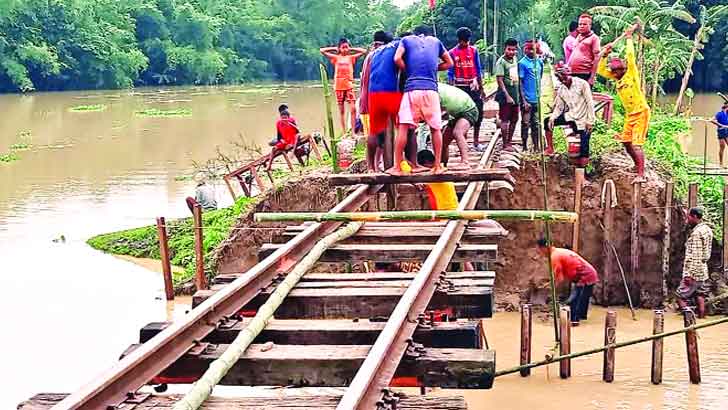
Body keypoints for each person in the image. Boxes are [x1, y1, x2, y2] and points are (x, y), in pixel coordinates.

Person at [388, 25, 453, 176]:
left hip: (411, 89)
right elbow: (449, 63)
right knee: (435, 128)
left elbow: (397, 58)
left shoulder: (406, 40)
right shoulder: (436, 41)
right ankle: (437, 166)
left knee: (403, 127)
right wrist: (434, 69)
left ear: (415, 34)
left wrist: (408, 70)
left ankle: (397, 167)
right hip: (431, 90)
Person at [598, 24, 650, 182]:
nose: (614, 73)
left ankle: (641, 174)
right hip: (630, 115)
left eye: (617, 71)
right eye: (613, 71)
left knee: (636, 144)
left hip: (641, 112)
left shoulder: (631, 73)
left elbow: (631, 56)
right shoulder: (616, 78)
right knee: (626, 142)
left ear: (622, 69)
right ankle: (636, 165)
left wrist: (628, 38)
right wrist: (604, 55)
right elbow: (600, 70)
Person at [537, 238, 599, 325]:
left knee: (573, 303)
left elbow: (560, 279)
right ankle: (579, 322)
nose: (540, 253)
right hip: (589, 274)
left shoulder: (555, 256)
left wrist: (552, 293)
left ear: (544, 248)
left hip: (585, 276)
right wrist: (549, 284)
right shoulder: (558, 252)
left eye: (540, 250)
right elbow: (558, 276)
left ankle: (573, 322)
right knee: (581, 305)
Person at [544, 63, 595, 165]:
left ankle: (582, 173)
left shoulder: (582, 84)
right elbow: (559, 107)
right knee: (547, 122)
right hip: (571, 116)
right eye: (561, 79)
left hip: (583, 119)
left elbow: (590, 103)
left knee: (584, 147)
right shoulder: (562, 89)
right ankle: (550, 148)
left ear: (569, 74)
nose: (564, 81)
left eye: (565, 77)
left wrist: (590, 121)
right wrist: (552, 118)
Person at [447, 27, 485, 151]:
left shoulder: (474, 51)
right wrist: (451, 88)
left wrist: (481, 88)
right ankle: (463, 140)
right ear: (459, 40)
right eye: (464, 40)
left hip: (473, 86)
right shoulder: (452, 53)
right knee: (460, 115)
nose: (466, 42)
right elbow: (450, 73)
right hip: (460, 88)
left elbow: (478, 70)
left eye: (467, 40)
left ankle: (476, 141)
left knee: (478, 113)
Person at [367, 32, 399, 172]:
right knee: (403, 128)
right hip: (390, 91)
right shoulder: (398, 45)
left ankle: (370, 167)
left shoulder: (374, 53)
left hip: (373, 93)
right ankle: (399, 163)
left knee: (374, 130)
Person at [320, 38, 367, 134]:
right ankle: (344, 131)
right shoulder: (336, 58)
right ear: (339, 48)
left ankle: (353, 131)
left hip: (349, 86)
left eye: (347, 47)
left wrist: (350, 49)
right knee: (341, 111)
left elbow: (364, 51)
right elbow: (322, 51)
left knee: (353, 108)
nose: (345, 49)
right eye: (343, 47)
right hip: (339, 86)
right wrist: (336, 49)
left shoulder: (351, 58)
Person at [676, 207, 713, 318]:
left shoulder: (697, 233)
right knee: (700, 294)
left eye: (689, 217)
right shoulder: (707, 229)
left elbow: (695, 255)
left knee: (680, 296)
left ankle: (689, 321)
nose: (687, 220)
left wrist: (689, 275)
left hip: (694, 272)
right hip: (703, 270)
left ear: (695, 217)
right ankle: (702, 318)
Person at [438, 82, 479, 168]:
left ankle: (465, 162)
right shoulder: (433, 87)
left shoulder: (432, 90)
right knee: (443, 141)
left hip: (468, 110)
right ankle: (442, 164)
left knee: (458, 132)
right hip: (456, 114)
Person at [359, 31, 389, 137]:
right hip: (372, 106)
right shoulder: (378, 57)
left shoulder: (369, 56)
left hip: (365, 105)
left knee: (372, 141)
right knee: (377, 141)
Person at [518, 40, 544, 152]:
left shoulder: (539, 62)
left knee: (536, 124)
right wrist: (524, 100)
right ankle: (524, 146)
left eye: (533, 49)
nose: (530, 51)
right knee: (525, 123)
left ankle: (536, 146)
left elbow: (540, 77)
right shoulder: (522, 63)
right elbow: (520, 82)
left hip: (536, 99)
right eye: (528, 49)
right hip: (527, 100)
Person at [495, 38, 520, 151]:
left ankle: (509, 141)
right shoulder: (501, 62)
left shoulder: (514, 59)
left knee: (515, 119)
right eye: (509, 49)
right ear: (504, 49)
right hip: (505, 94)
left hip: (515, 92)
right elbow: (499, 80)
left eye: (514, 50)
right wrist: (507, 96)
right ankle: (505, 144)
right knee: (505, 119)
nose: (511, 52)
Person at [568, 14, 601, 86]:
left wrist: (592, 77)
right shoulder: (578, 37)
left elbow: (597, 58)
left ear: (590, 25)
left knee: (583, 96)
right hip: (572, 72)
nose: (582, 26)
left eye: (584, 24)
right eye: (580, 24)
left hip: (584, 74)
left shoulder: (594, 38)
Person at [268, 104, 300, 172]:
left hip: (291, 140)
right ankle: (269, 166)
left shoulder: (292, 120)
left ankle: (291, 163)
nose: (284, 119)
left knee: (287, 147)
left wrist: (291, 124)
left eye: (286, 117)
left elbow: (298, 133)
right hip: (285, 140)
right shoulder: (278, 123)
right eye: (282, 118)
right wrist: (281, 140)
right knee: (273, 147)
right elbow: (279, 136)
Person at [711, 103, 728, 167]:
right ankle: (721, 163)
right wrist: (721, 125)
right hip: (721, 131)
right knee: (722, 147)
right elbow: (712, 120)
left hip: (727, 131)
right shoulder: (719, 114)